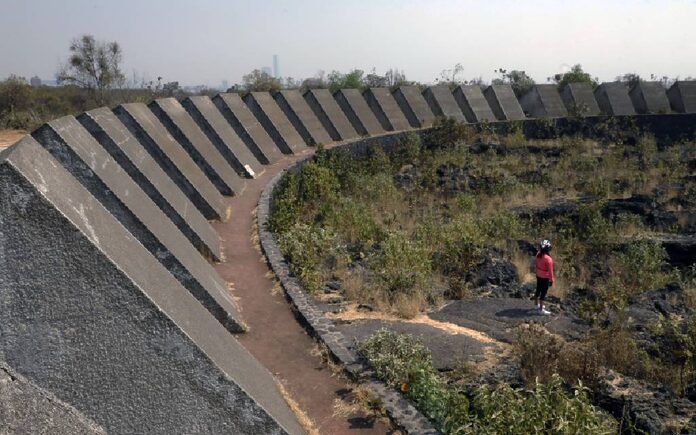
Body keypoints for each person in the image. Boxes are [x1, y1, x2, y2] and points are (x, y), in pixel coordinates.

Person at [533, 239, 554, 315]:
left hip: (538, 275)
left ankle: (536, 305)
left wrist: (536, 272)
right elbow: (550, 271)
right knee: (543, 292)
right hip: (545, 277)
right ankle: (541, 309)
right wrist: (551, 280)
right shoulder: (549, 259)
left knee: (538, 289)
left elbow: (535, 265)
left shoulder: (538, 254)